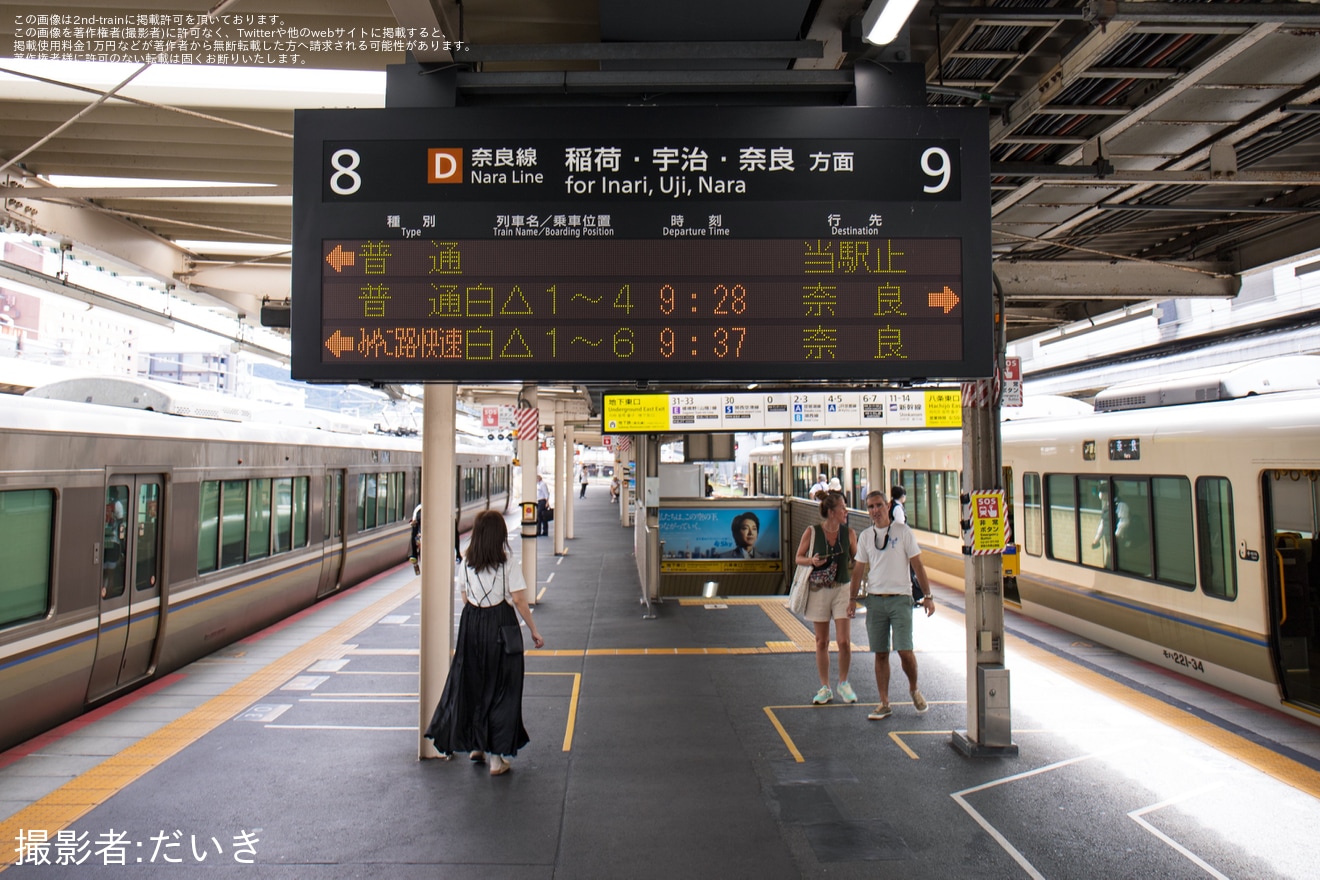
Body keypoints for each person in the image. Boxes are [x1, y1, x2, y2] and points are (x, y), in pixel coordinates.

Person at [425, 510, 544, 776]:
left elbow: (465, 597)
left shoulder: (466, 562)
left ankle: (476, 746)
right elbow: (519, 600)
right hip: (500, 624)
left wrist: (477, 616)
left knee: (473, 685)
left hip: (472, 625)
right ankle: (496, 758)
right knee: (503, 689)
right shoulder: (507, 562)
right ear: (500, 535)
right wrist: (534, 630)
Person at [849, 490, 934, 720]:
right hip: (875, 600)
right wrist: (852, 599)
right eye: (870, 507)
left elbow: (917, 565)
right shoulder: (866, 536)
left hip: (901, 599)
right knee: (881, 653)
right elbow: (858, 570)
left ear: (887, 506)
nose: (875, 511)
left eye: (878, 505)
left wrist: (928, 595)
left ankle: (914, 689)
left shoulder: (903, 532)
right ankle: (884, 702)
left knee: (905, 650)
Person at [796, 491, 858, 705]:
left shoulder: (849, 533)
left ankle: (843, 682)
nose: (846, 511)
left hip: (842, 588)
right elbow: (798, 558)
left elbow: (857, 560)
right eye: (842, 508)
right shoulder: (812, 532)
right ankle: (825, 687)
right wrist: (811, 560)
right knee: (822, 641)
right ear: (831, 512)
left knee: (844, 641)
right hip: (818, 590)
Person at [409, 504, 422, 574]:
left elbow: (414, 530)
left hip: (420, 537)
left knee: (414, 537)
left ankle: (414, 556)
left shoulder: (418, 509)